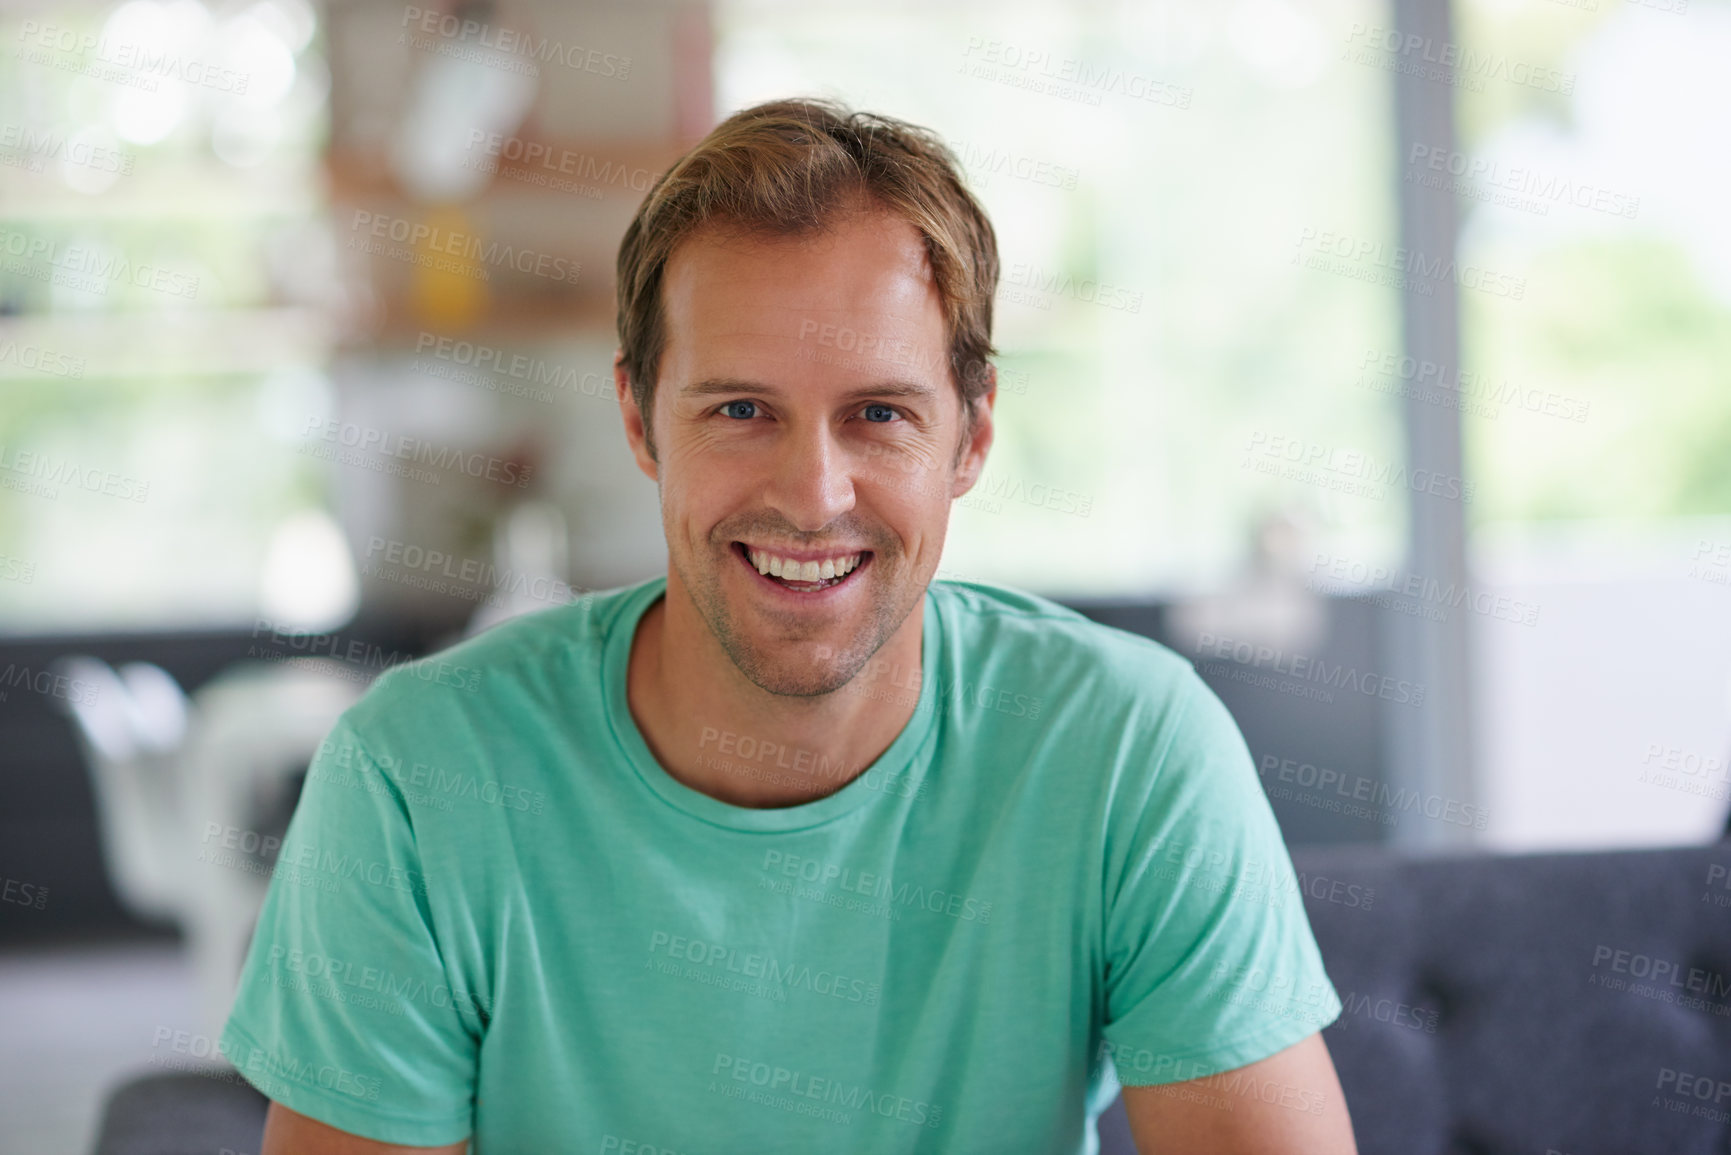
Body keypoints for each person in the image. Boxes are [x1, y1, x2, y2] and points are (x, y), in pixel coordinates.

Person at [221, 96, 1358, 1154]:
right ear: (639, 418)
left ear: (969, 437)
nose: (813, 496)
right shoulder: (418, 779)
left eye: (877, 414)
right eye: (741, 410)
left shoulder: (1128, 751)